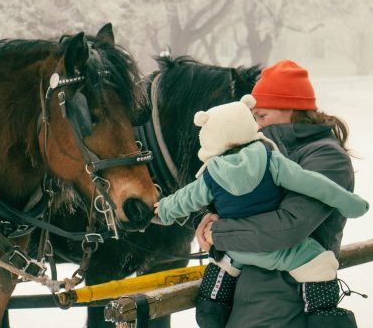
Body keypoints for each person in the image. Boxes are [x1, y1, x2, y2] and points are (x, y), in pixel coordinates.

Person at [154, 91, 368, 327]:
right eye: (252, 117)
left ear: (292, 108)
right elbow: (201, 198)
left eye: (262, 115)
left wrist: (217, 233)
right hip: (248, 305)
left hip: (282, 309)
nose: (257, 124)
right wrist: (206, 218)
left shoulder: (323, 155)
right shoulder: (259, 156)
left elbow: (286, 228)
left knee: (318, 266)